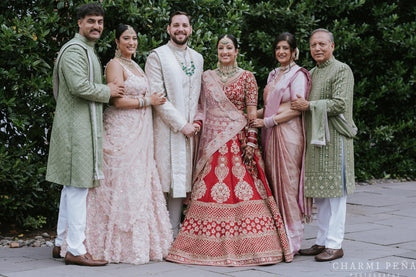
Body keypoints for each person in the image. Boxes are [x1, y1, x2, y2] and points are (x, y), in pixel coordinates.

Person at [166, 35, 293, 266]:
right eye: (221, 47)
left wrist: (252, 141)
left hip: (239, 143)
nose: (225, 51)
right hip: (212, 144)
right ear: (217, 51)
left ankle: (254, 246)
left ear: (236, 51)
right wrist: (197, 125)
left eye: (229, 47)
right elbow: (202, 108)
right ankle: (202, 247)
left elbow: (252, 113)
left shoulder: (247, 77)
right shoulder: (207, 78)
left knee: (246, 191)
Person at [83, 24, 173, 264]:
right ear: (116, 41)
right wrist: (148, 100)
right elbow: (118, 102)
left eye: (134, 38)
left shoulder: (135, 65)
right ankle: (112, 244)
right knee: (119, 181)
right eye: (126, 38)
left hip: (139, 131)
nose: (132, 42)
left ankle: (141, 243)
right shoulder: (115, 65)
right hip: (121, 131)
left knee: (138, 182)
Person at [46, 3, 125, 266]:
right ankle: (76, 250)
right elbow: (79, 86)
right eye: (91, 21)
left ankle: (60, 244)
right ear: (79, 23)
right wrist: (109, 91)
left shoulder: (87, 49)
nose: (97, 26)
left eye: (100, 22)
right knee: (78, 186)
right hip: (74, 129)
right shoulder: (74, 50)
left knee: (71, 187)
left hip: (81, 126)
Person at [291, 28, 357, 262]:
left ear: (332, 46)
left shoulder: (342, 70)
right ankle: (322, 241)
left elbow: (339, 104)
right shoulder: (310, 73)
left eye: (322, 44)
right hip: (315, 140)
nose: (317, 48)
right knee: (320, 194)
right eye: (313, 45)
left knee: (336, 194)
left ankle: (335, 244)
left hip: (336, 138)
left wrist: (309, 106)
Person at [251, 32, 312, 255]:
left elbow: (295, 108)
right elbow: (268, 108)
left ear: (294, 51)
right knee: (274, 183)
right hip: (271, 134)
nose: (281, 52)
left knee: (288, 185)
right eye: (278, 48)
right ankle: (278, 236)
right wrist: (245, 116)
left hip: (289, 135)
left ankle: (293, 241)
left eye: (286, 48)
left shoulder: (298, 75)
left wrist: (265, 121)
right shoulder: (274, 74)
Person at [145, 11, 204, 238]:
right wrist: (181, 124)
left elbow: (200, 96)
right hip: (166, 128)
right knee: (164, 179)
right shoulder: (157, 56)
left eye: (185, 25)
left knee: (182, 181)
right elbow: (156, 95)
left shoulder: (197, 58)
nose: (181, 29)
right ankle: (159, 234)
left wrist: (197, 120)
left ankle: (175, 231)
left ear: (190, 29)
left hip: (191, 130)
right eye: (176, 25)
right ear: (169, 29)